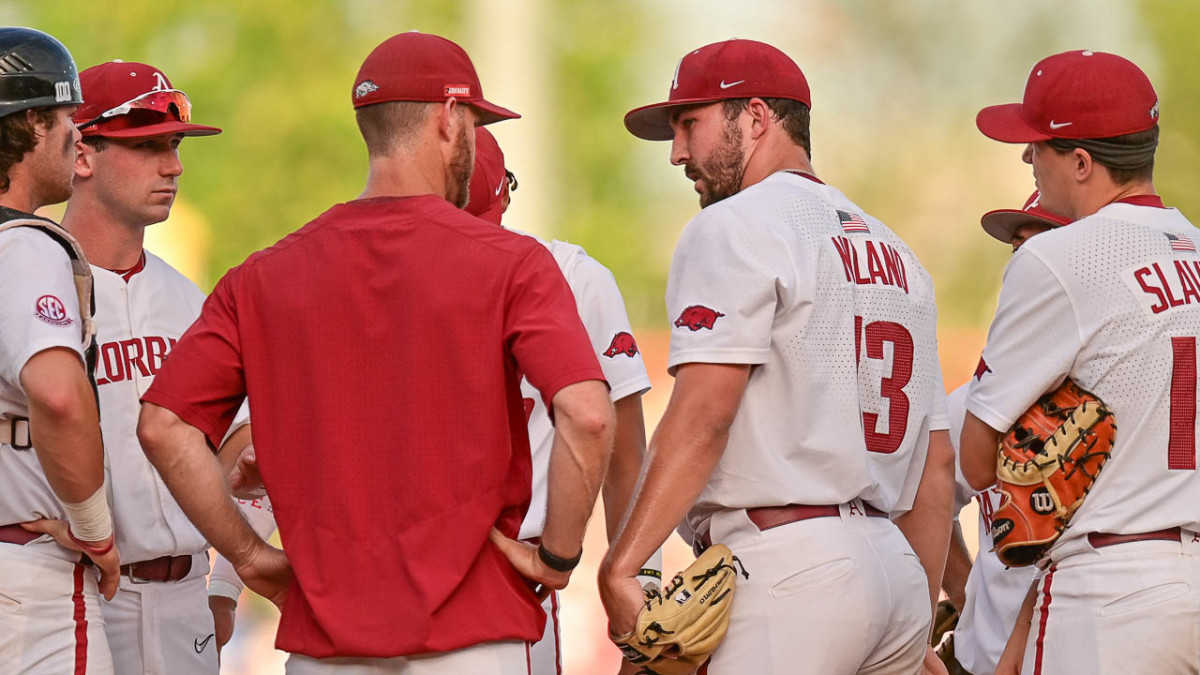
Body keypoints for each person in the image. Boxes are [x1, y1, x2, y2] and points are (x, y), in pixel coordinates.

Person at [136, 31, 615, 674]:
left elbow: (163, 426)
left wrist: (248, 557)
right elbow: (588, 414)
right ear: (449, 119)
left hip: (325, 643)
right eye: (473, 121)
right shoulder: (512, 262)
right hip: (474, 636)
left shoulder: (264, 275)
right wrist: (556, 556)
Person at [599, 38, 954, 674]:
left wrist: (623, 564)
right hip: (893, 568)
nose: (678, 152)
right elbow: (935, 467)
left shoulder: (736, 223)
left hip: (790, 567)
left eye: (690, 123)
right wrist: (912, 622)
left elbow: (705, 413)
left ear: (757, 118)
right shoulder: (898, 253)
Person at [962, 50, 1200, 674]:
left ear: (1082, 161)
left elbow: (975, 458)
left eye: (1036, 145)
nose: (1027, 160)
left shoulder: (1059, 257)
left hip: (1108, 594)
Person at [43, 59, 255, 674]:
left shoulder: (192, 301)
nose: (175, 164)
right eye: (150, 145)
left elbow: (235, 447)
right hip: (77, 590)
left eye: (176, 144)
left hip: (187, 594)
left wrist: (224, 587)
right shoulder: (34, 285)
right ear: (82, 154)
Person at [466, 127, 658, 673]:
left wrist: (641, 598)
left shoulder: (573, 275)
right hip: (506, 571)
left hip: (510, 576)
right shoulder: (571, 275)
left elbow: (624, 454)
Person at [0, 26, 120, 674]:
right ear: (28, 125)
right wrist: (95, 527)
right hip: (26, 580)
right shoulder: (23, 247)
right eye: (67, 114)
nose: (78, 131)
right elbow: (57, 395)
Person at [937, 193, 1067, 675]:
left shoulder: (1120, 401)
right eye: (1019, 250)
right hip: (982, 661)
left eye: (1044, 247)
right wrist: (968, 597)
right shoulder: (972, 400)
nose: (1026, 265)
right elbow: (929, 498)